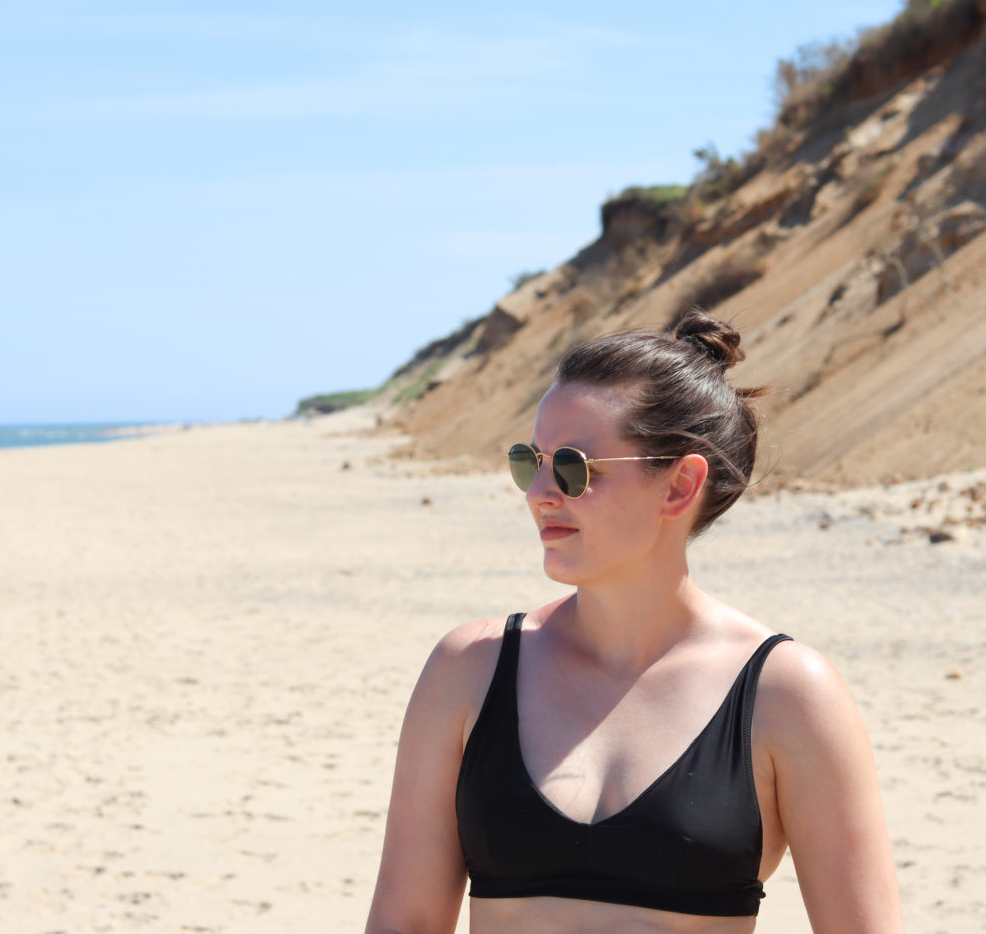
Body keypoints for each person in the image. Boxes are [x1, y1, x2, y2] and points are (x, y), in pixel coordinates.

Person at [365, 311, 904, 934]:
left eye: (572, 467)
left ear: (679, 485)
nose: (539, 491)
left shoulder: (788, 695)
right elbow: (405, 922)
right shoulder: (470, 667)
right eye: (528, 461)